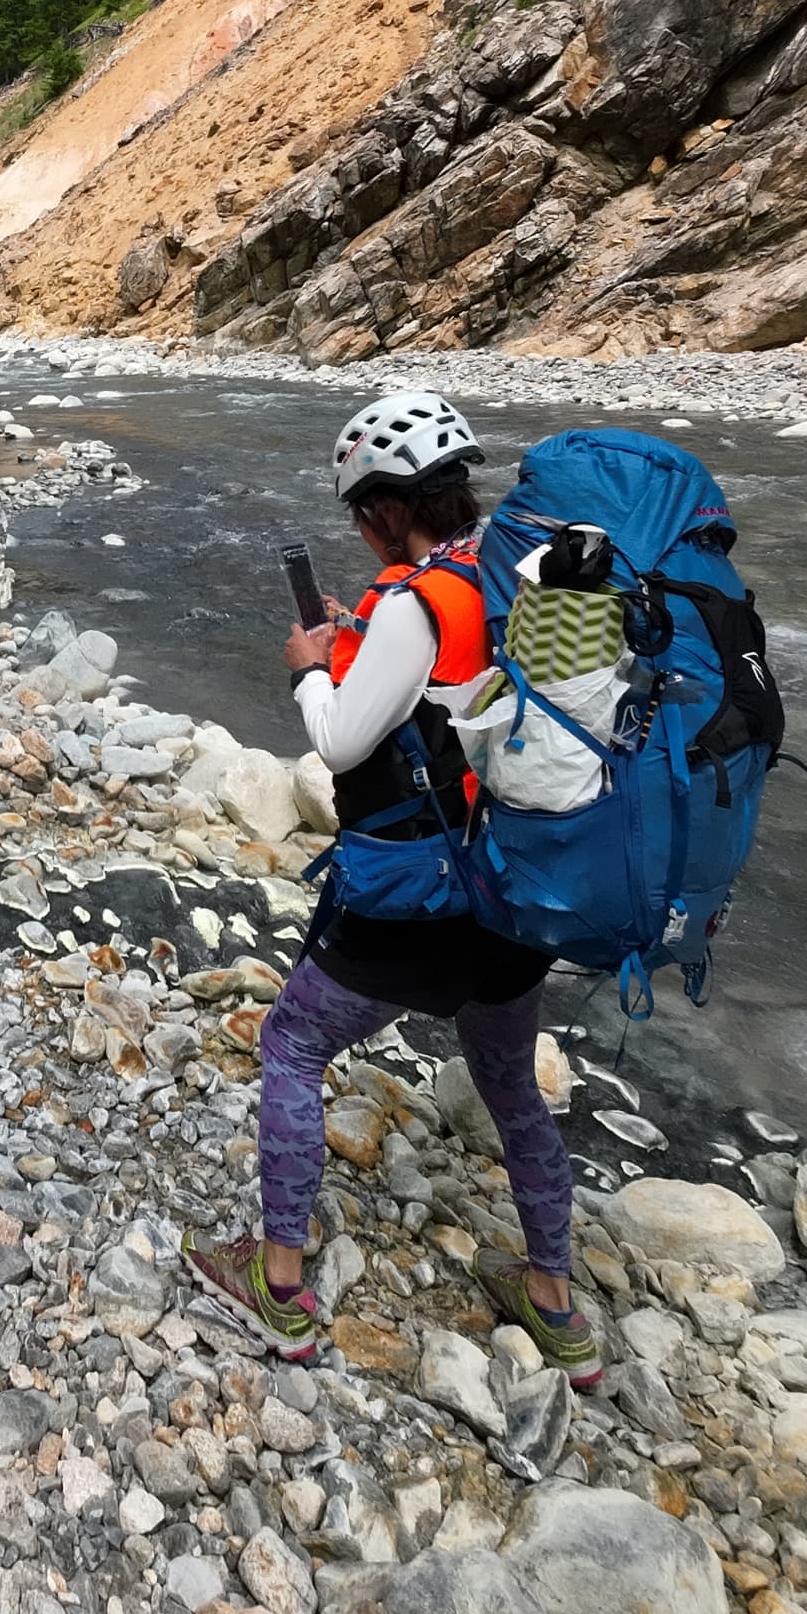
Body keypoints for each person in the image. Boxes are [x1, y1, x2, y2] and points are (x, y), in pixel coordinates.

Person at [187, 391, 605, 1390]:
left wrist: (308, 667)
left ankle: (280, 1286)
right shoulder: (514, 573)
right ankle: (558, 1309)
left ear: (380, 509)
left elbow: (338, 738)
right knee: (507, 1081)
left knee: (292, 1042)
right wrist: (358, 641)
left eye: (359, 515)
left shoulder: (417, 601)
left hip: (422, 901)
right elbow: (455, 693)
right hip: (516, 891)